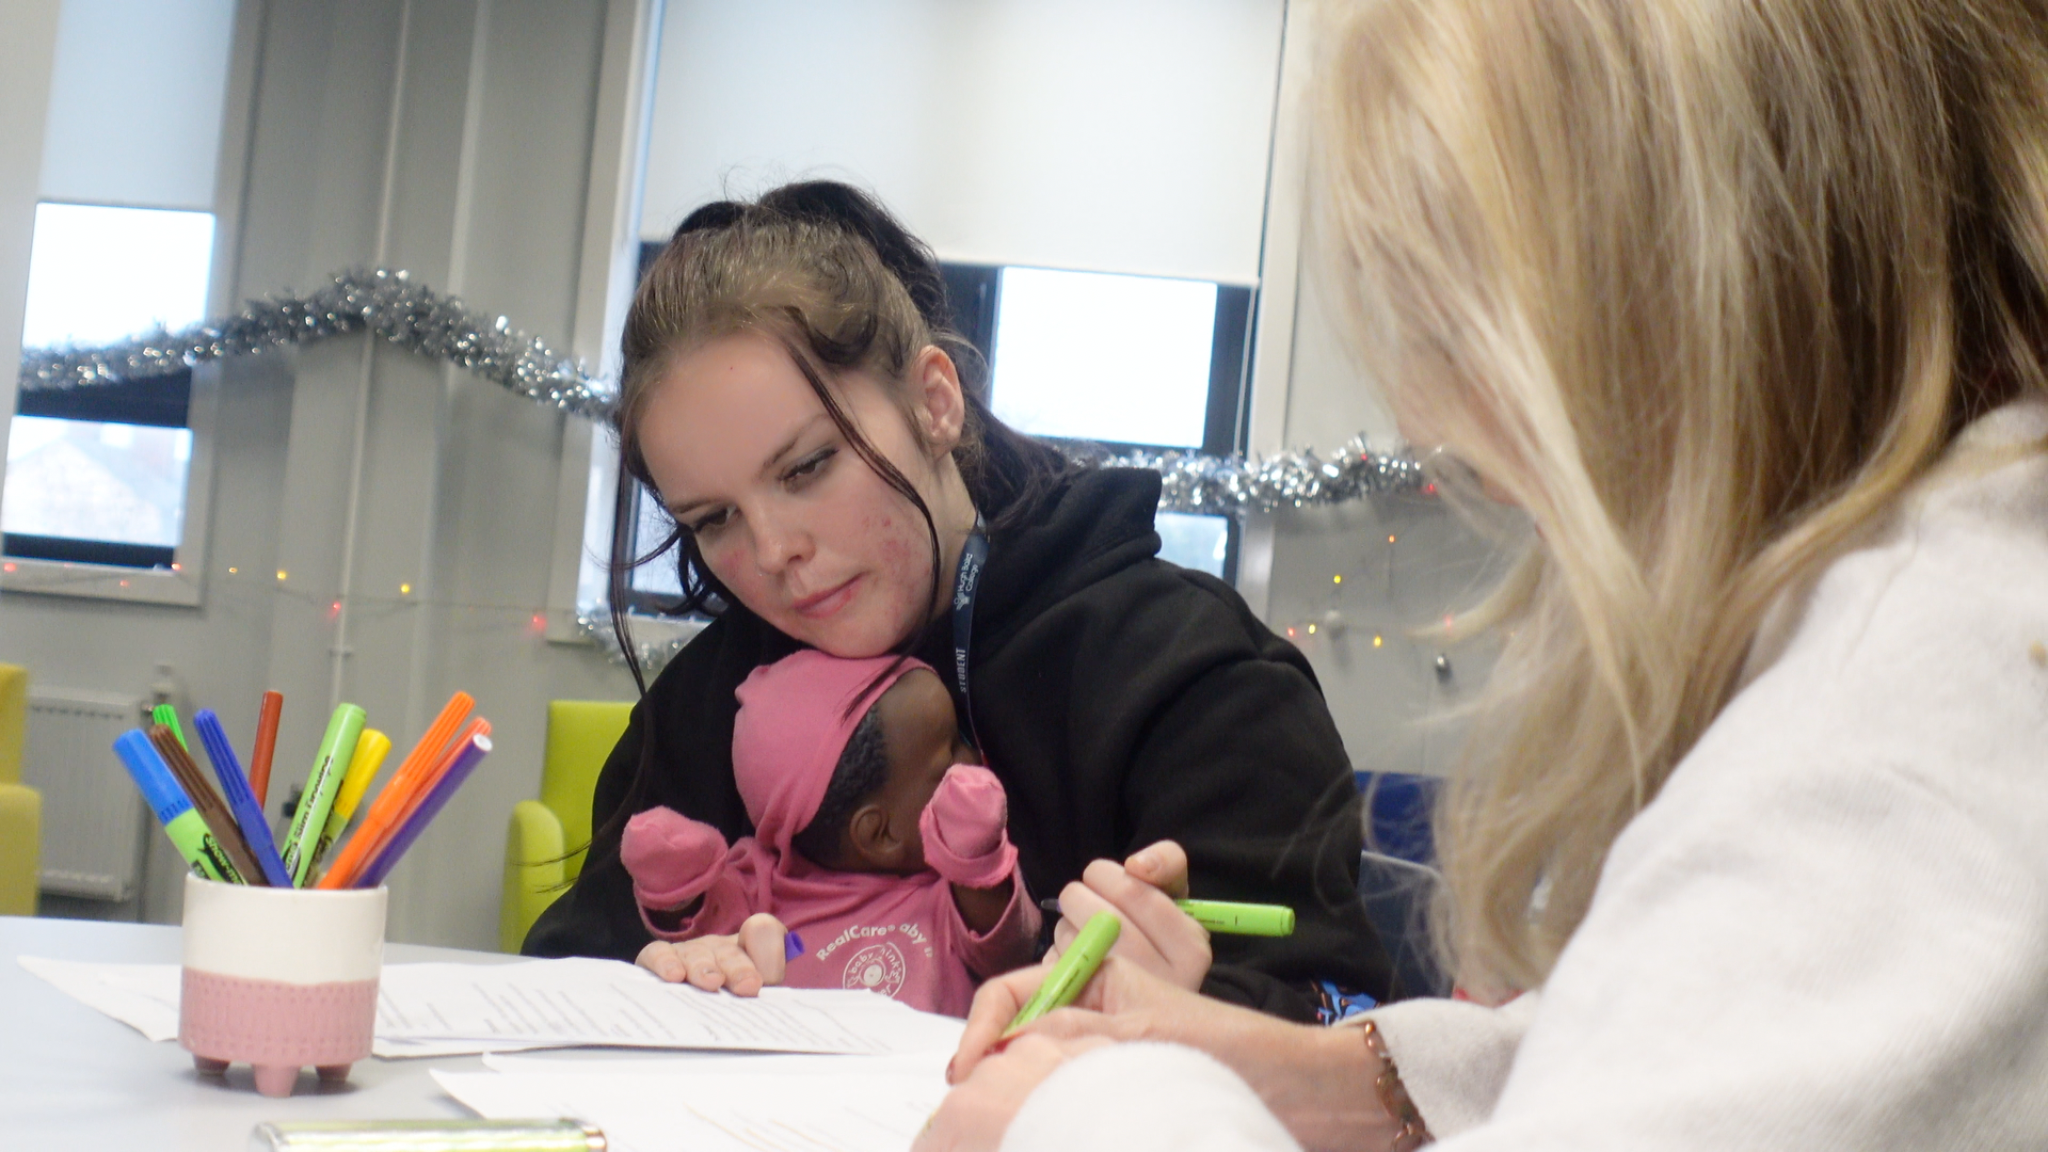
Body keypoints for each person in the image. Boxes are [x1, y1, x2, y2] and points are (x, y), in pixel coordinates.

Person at [916, 0, 2048, 1148]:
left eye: (1463, 319)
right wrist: (1296, 1075)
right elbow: (1674, 1037)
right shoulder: (1948, 600)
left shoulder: (1913, 717)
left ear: (1701, 293)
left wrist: (1090, 1116)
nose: (1435, 425)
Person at [522, 180, 1395, 1023]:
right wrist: (658, 981)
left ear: (934, 402)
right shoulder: (709, 704)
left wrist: (1184, 1022)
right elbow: (565, 981)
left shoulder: (1191, 671)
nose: (771, 551)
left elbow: (1342, 1030)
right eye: (714, 519)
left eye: (805, 467)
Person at [620, 649, 1039, 1016]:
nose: (974, 754)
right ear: (880, 835)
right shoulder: (761, 882)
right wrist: (679, 884)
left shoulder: (946, 897)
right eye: (951, 750)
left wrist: (974, 858)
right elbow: (706, 929)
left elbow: (1007, 946)